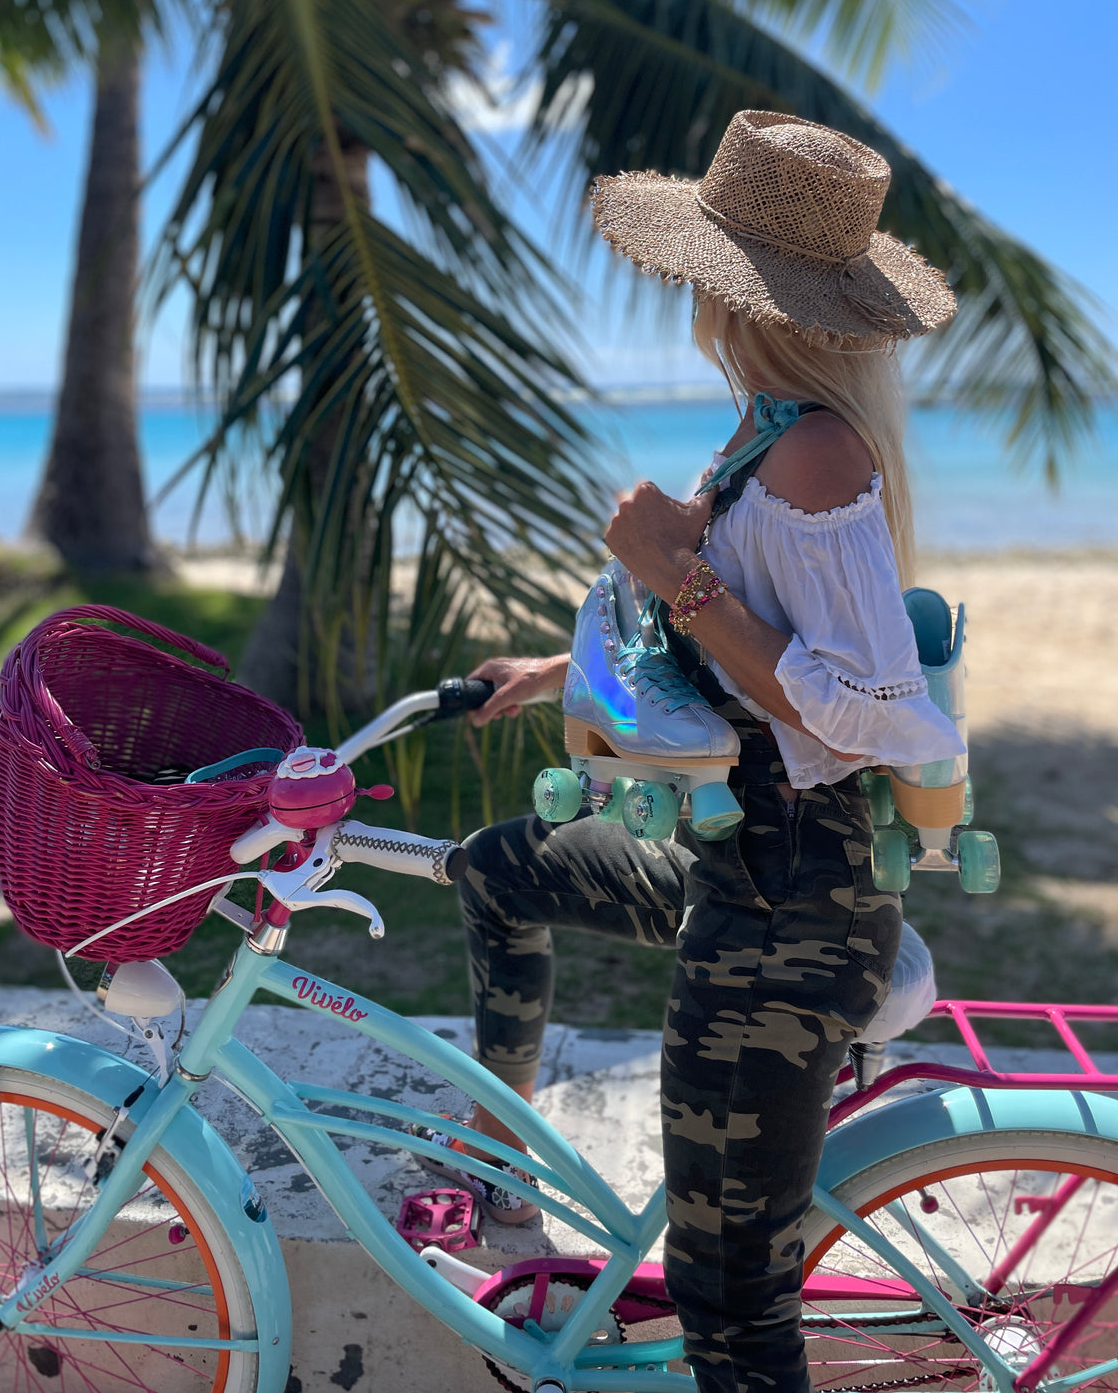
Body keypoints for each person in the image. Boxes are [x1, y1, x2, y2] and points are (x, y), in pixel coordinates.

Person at [413, 111, 967, 1393]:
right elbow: (738, 649)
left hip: (790, 905)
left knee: (731, 1309)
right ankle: (498, 1162)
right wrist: (554, 670)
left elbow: (867, 711)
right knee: (499, 866)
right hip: (740, 859)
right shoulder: (766, 432)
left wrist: (675, 570)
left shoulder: (817, 454)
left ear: (739, 291)